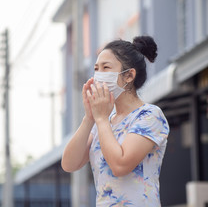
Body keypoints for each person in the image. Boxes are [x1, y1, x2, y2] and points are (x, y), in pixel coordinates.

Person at [61, 36, 170, 206]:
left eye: (106, 68)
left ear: (129, 75)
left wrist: (101, 119)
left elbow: (120, 165)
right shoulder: (103, 122)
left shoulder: (150, 115)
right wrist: (89, 118)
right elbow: (69, 163)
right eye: (96, 69)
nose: (99, 75)